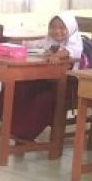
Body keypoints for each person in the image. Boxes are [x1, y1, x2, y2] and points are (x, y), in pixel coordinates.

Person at [7, 11, 84, 141]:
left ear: (70, 28)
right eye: (53, 27)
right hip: (45, 80)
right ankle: (13, 126)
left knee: (43, 99)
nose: (56, 31)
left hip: (66, 85)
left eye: (61, 28)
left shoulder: (75, 42)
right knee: (18, 87)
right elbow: (36, 44)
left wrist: (56, 55)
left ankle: (25, 132)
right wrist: (19, 43)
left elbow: (69, 52)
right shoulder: (49, 40)